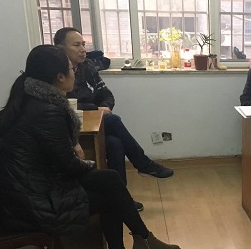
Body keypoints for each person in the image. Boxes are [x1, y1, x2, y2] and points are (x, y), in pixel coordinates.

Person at [0, 45, 181, 249]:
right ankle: (135, 245)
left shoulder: (29, 100)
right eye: (71, 69)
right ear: (60, 77)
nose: (75, 72)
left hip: (26, 192)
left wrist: (79, 156)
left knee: (109, 180)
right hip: (33, 202)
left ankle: (132, 248)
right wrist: (88, 162)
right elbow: (70, 166)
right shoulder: (48, 111)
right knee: (109, 187)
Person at [54, 27, 174, 212]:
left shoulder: (87, 66)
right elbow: (67, 104)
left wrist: (105, 106)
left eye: (84, 44)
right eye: (77, 45)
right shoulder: (57, 72)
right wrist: (96, 109)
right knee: (113, 121)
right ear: (61, 48)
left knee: (115, 143)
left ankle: (121, 198)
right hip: (70, 126)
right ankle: (143, 164)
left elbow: (107, 94)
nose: (83, 49)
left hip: (94, 121)